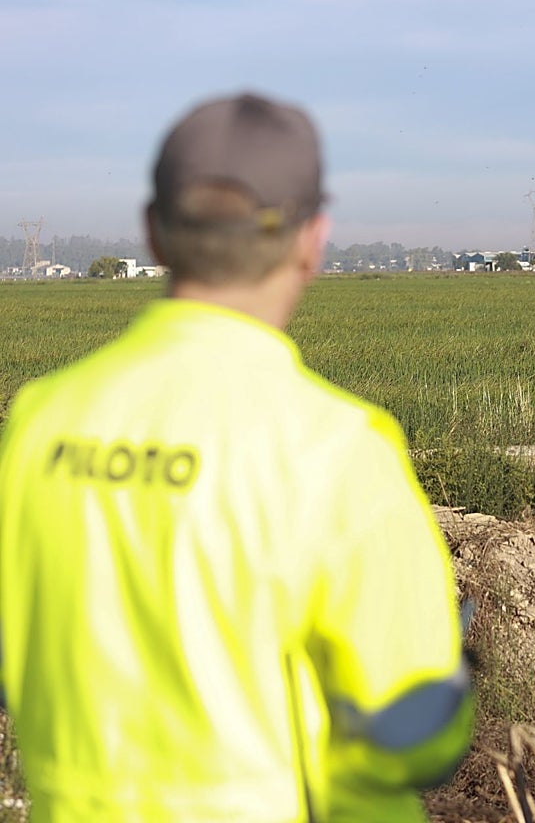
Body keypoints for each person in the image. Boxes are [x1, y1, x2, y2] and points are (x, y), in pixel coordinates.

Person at [0, 92, 474, 821]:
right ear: (313, 238)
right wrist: (456, 681)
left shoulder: (40, 422)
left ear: (154, 234)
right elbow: (407, 735)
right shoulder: (337, 449)